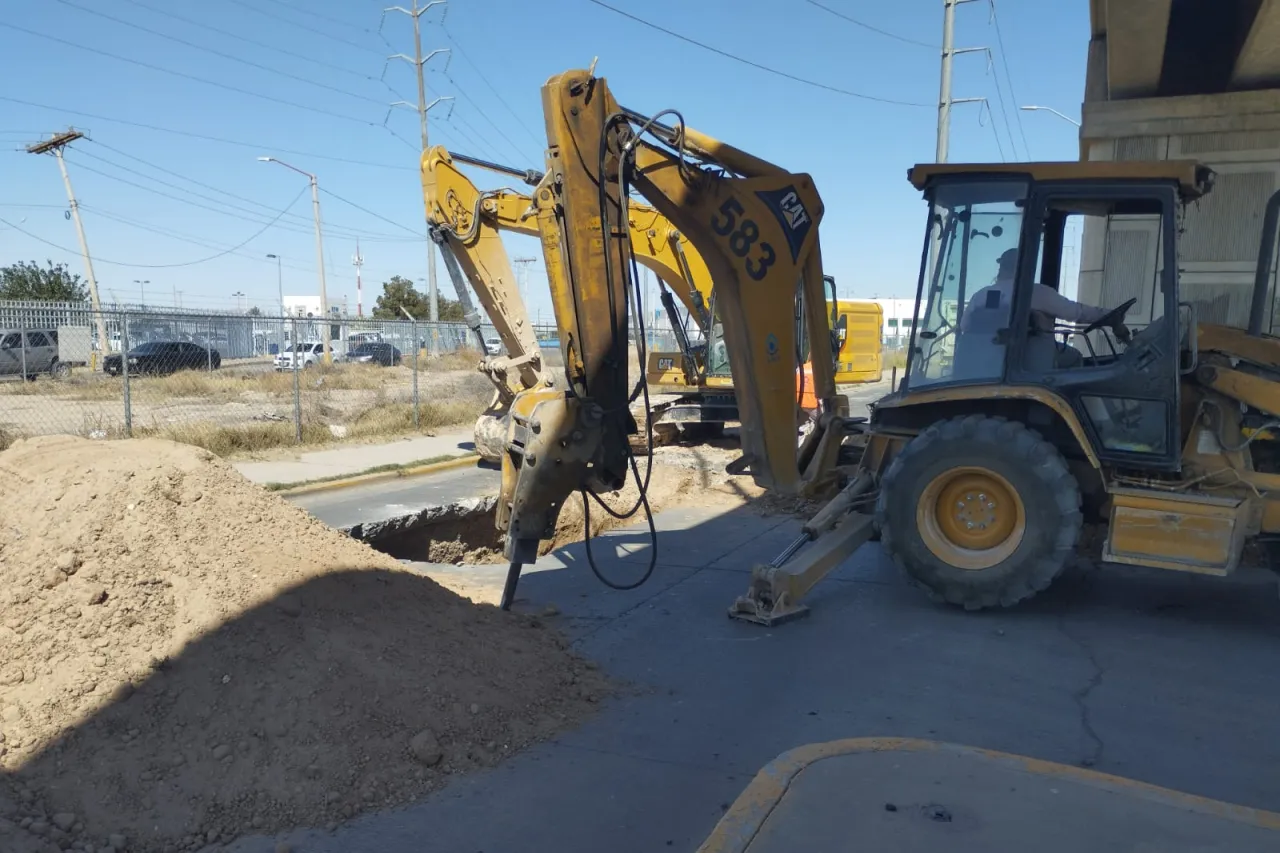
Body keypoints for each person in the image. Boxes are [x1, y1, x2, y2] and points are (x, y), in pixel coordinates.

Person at [960, 248, 1118, 368]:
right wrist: (1109, 315)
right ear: (1025, 267)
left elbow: (965, 326)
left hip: (989, 364)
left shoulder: (986, 295)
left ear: (1001, 268)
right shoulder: (1035, 292)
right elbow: (1075, 312)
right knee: (1075, 357)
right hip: (1033, 359)